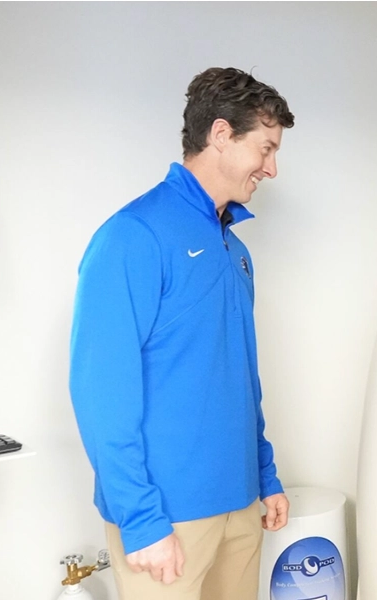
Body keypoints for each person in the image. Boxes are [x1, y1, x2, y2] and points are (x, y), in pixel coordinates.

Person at [69, 67, 294, 600]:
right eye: (265, 149)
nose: (273, 168)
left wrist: (266, 475)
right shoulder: (132, 236)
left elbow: (239, 376)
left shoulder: (234, 250)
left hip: (240, 507)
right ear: (221, 135)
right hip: (166, 517)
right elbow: (101, 392)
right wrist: (141, 520)